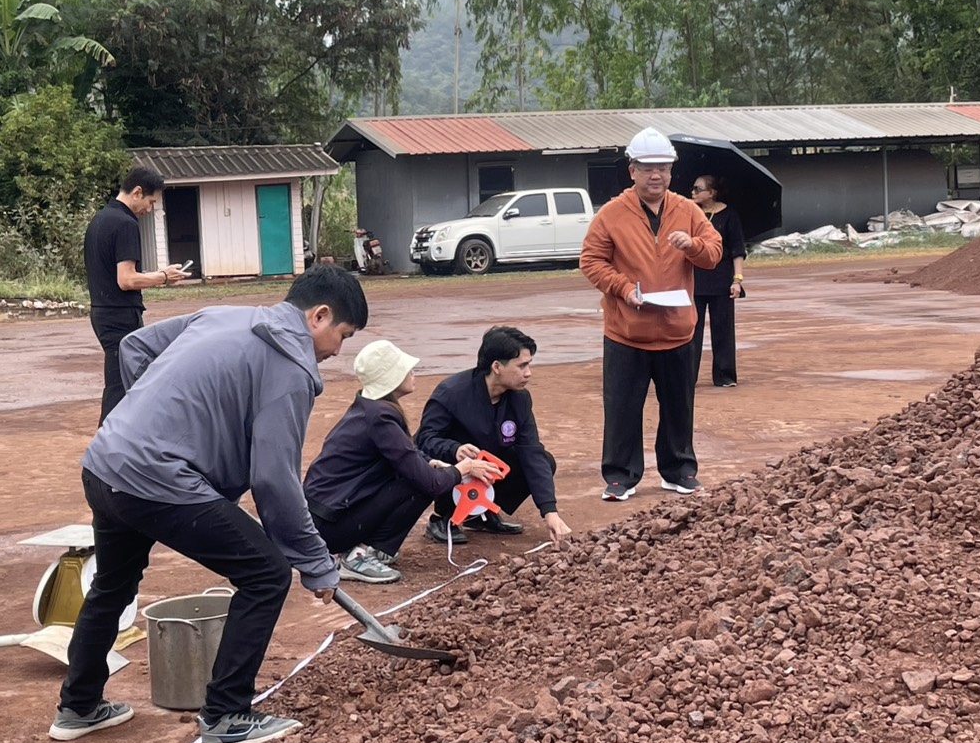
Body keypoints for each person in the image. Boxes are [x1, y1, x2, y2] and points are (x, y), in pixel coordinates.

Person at [49, 266, 368, 743]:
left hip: (106, 462)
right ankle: (226, 714)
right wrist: (316, 563)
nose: (336, 351)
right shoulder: (293, 366)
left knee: (114, 584)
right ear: (318, 316)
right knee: (267, 574)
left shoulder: (223, 316)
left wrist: (152, 418)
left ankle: (79, 707)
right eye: (341, 335)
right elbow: (274, 480)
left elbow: (135, 349)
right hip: (157, 480)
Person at [579, 128, 722, 501]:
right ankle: (620, 476)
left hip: (677, 330)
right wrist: (624, 289)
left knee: (679, 406)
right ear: (632, 171)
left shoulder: (688, 211)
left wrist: (692, 245)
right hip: (627, 331)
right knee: (623, 406)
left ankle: (678, 470)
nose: (655, 174)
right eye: (647, 167)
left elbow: (713, 252)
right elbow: (591, 261)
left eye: (663, 167)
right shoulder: (611, 214)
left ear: (672, 171)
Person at [303, 340, 502, 583]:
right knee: (421, 483)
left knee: (424, 474)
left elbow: (408, 454)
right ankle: (359, 556)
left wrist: (433, 463)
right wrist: (464, 468)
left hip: (324, 519)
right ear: (392, 377)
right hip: (328, 527)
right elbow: (430, 483)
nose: (412, 373)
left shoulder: (371, 407)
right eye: (406, 369)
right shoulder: (381, 417)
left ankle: (365, 550)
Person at [414, 326, 572, 545]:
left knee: (544, 460)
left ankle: (480, 514)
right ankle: (442, 518)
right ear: (497, 366)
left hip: (487, 466)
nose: (528, 373)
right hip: (452, 467)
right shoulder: (451, 393)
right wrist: (454, 449)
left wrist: (549, 511)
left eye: (529, 365)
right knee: (445, 460)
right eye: (522, 366)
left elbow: (531, 451)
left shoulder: (520, 399)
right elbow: (423, 441)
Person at [84, 166, 187, 426]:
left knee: (127, 381)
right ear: (137, 192)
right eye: (150, 202)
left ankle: (117, 443)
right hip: (119, 316)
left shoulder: (100, 220)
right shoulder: (125, 223)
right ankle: (108, 448)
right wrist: (163, 277)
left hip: (102, 312)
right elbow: (127, 279)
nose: (149, 210)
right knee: (121, 385)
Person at [688, 174, 747, 388]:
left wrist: (737, 280)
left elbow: (737, 250)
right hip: (694, 279)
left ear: (711, 193)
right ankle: (687, 376)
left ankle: (725, 375)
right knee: (690, 331)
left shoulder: (729, 215)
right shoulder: (689, 215)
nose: (693, 193)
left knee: (723, 330)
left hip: (721, 280)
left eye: (697, 189)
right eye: (692, 189)